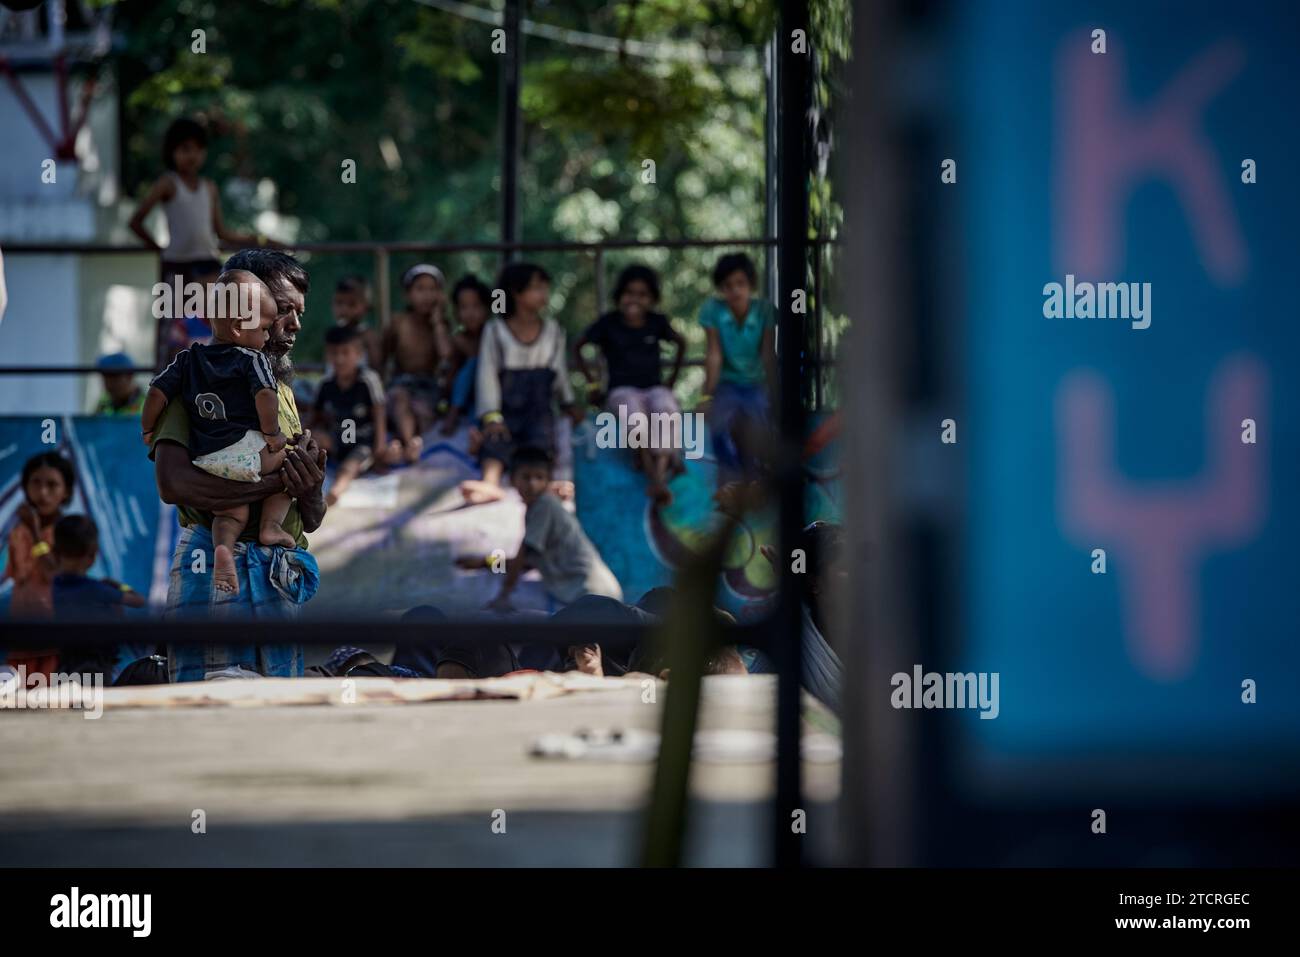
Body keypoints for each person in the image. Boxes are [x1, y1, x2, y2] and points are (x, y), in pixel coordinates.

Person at [149, 248, 326, 682]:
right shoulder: (192, 376)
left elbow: (312, 519)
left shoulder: (277, 387)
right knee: (210, 711)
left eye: (297, 312)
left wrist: (310, 490)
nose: (293, 324)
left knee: (274, 720)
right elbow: (173, 484)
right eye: (282, 310)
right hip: (212, 568)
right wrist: (272, 485)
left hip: (275, 575)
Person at [141, 269, 295, 595]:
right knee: (291, 462)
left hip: (207, 457)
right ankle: (270, 525)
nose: (270, 336)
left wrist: (146, 428)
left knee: (230, 515)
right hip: (247, 452)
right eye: (266, 327)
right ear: (240, 328)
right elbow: (264, 396)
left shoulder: (187, 361)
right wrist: (272, 435)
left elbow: (155, 392)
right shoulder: (252, 360)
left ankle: (223, 547)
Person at [128, 117, 267, 366]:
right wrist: (160, 250)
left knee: (217, 325)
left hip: (209, 267)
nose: (192, 156)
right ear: (173, 152)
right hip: (177, 268)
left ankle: (217, 381)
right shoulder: (168, 184)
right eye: (185, 149)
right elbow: (136, 221)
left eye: (198, 149)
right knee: (172, 332)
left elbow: (221, 233)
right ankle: (169, 388)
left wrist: (260, 240)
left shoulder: (209, 187)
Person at [460, 263, 584, 505]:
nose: (543, 295)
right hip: (506, 407)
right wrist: (492, 416)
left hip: (539, 408)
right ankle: (490, 483)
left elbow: (559, 373)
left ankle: (544, 485)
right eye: (535, 288)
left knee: (541, 442)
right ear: (516, 293)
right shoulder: (495, 331)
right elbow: (487, 376)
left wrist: (569, 403)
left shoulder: (554, 331)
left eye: (544, 288)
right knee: (495, 441)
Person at [575, 263, 686, 505]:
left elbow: (681, 343)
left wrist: (671, 381)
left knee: (666, 408)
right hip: (621, 390)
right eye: (629, 293)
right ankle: (659, 478)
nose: (634, 299)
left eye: (642, 294)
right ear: (619, 296)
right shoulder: (608, 323)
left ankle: (657, 474)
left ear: (652, 299)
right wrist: (593, 386)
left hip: (654, 388)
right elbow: (578, 347)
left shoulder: (657, 322)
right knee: (634, 416)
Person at [485, 446, 621, 613]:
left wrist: (503, 594)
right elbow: (527, 560)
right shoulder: (536, 509)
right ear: (513, 480)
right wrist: (487, 562)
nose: (532, 484)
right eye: (526, 477)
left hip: (592, 592)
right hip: (594, 594)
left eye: (539, 478)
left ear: (548, 480)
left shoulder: (544, 505)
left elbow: (523, 555)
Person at [698, 252, 777, 484]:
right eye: (728, 285)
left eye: (741, 283)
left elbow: (768, 355)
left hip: (756, 383)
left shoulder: (764, 310)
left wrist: (776, 392)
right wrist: (706, 396)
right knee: (719, 426)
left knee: (761, 426)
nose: (735, 291)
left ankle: (755, 480)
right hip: (727, 384)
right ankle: (735, 480)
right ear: (721, 288)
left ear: (751, 284)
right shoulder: (713, 310)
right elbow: (714, 355)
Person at [2, 452, 75, 677]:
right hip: (22, 637)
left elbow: (55, 575)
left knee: (51, 704)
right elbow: (17, 580)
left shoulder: (71, 531)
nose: (43, 492)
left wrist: (35, 533)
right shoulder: (17, 532)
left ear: (66, 492)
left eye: (52, 485)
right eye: (36, 483)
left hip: (56, 639)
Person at [310, 324, 399, 506]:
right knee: (311, 439)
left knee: (351, 465)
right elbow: (314, 414)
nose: (340, 359)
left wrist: (380, 446)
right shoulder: (326, 384)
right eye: (334, 353)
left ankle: (335, 491)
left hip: (362, 442)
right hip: (336, 438)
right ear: (327, 355)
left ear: (358, 354)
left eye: (345, 353)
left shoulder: (367, 380)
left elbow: (379, 411)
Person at [50, 514, 147, 677]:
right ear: (92, 554)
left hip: (64, 667)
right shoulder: (98, 590)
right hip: (97, 670)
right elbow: (138, 601)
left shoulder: (54, 587)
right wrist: (119, 586)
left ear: (55, 552)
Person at [382, 263, 453, 463]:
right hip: (400, 384)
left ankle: (402, 442)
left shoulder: (442, 325)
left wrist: (438, 322)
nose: (427, 295)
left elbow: (446, 354)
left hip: (428, 387)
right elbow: (382, 356)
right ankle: (409, 443)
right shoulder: (398, 322)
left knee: (416, 410)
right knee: (400, 399)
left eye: (432, 290)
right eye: (420, 289)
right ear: (408, 295)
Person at [440, 274, 491, 436]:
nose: (470, 313)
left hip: (489, 396)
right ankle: (456, 414)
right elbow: (452, 373)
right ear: (456, 312)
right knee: (472, 365)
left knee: (476, 363)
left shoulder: (493, 335)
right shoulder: (458, 339)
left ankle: (459, 417)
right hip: (465, 400)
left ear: (487, 309)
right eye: (464, 307)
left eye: (476, 306)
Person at [331, 275, 382, 368]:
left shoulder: (368, 337)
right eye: (339, 303)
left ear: (366, 306)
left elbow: (377, 368)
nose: (344, 309)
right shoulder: (332, 335)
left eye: (352, 304)